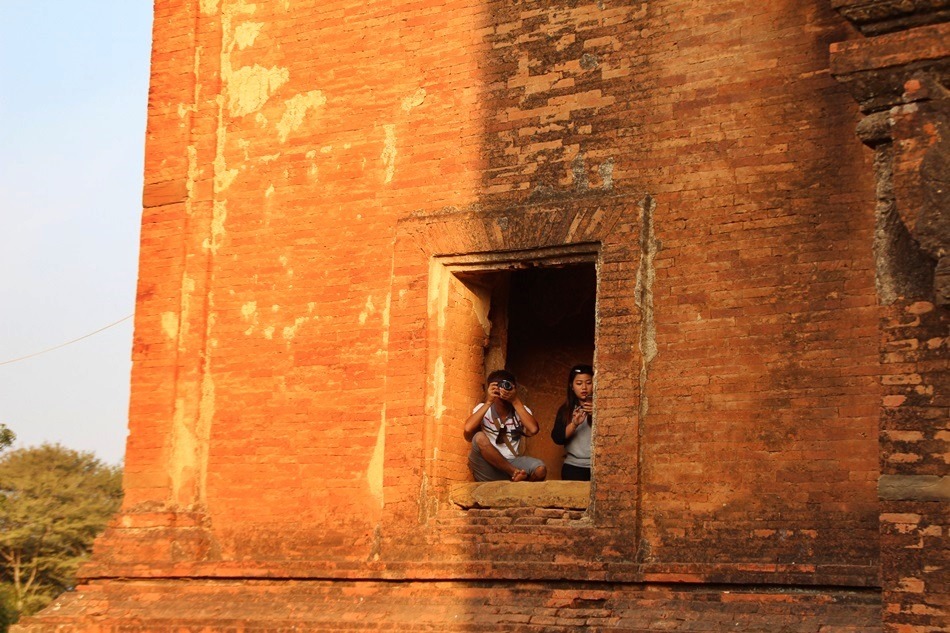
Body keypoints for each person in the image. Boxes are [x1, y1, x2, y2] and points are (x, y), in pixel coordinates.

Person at [464, 369, 547, 482]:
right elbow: (468, 429)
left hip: (512, 461)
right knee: (479, 437)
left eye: (507, 386)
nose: (502, 390)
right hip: (488, 465)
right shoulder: (483, 408)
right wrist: (489, 401)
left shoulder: (521, 410)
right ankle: (514, 473)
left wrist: (515, 400)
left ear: (514, 389)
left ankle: (520, 486)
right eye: (498, 386)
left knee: (540, 470)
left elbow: (533, 429)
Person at [551, 364, 594, 481]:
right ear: (572, 386)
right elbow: (557, 438)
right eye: (579, 383)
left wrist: (598, 414)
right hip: (573, 466)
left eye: (588, 383)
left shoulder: (603, 409)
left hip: (599, 465)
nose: (584, 387)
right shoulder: (566, 409)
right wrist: (574, 424)